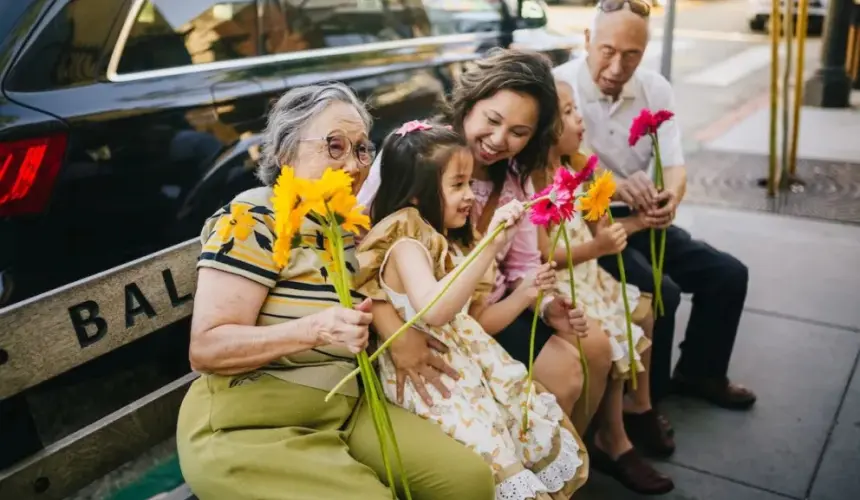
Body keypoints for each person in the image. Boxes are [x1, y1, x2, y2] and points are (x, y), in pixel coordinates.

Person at [175, 83, 496, 500]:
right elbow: (207, 347)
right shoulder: (254, 216)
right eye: (335, 146)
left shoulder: (346, 226)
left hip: (346, 409)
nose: (353, 164)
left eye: (362, 149)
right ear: (286, 153)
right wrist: (314, 330)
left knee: (469, 481)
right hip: (254, 425)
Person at [359, 49, 614, 433]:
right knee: (566, 374)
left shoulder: (516, 179)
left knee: (595, 347)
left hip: (487, 307)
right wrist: (394, 332)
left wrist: (545, 307)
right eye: (492, 121)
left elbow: (523, 266)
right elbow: (358, 243)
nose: (498, 140)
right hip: (428, 314)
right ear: (469, 104)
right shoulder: (415, 152)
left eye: (518, 133)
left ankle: (588, 455)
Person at [356, 121, 589, 499]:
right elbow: (435, 311)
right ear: (416, 196)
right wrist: (490, 245)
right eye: (457, 185)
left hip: (467, 377)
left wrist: (527, 293)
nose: (470, 196)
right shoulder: (404, 245)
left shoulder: (436, 243)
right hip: (435, 386)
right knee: (496, 467)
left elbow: (471, 321)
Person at [553, 2, 756, 410]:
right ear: (588, 40)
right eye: (608, 50)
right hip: (589, 225)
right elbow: (558, 173)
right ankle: (648, 404)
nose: (616, 66)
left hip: (643, 219)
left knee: (728, 275)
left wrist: (668, 201)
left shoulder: (655, 89)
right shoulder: (559, 88)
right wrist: (615, 189)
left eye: (632, 55)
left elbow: (675, 166)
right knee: (663, 294)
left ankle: (701, 373)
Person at [532, 79, 674, 494]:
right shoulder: (538, 181)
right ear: (546, 126)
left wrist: (619, 220)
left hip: (590, 273)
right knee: (614, 330)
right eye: (570, 112)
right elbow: (545, 254)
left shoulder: (576, 165)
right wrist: (597, 244)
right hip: (566, 279)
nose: (580, 119)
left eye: (577, 108)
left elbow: (601, 221)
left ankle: (637, 406)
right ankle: (614, 437)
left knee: (643, 309)